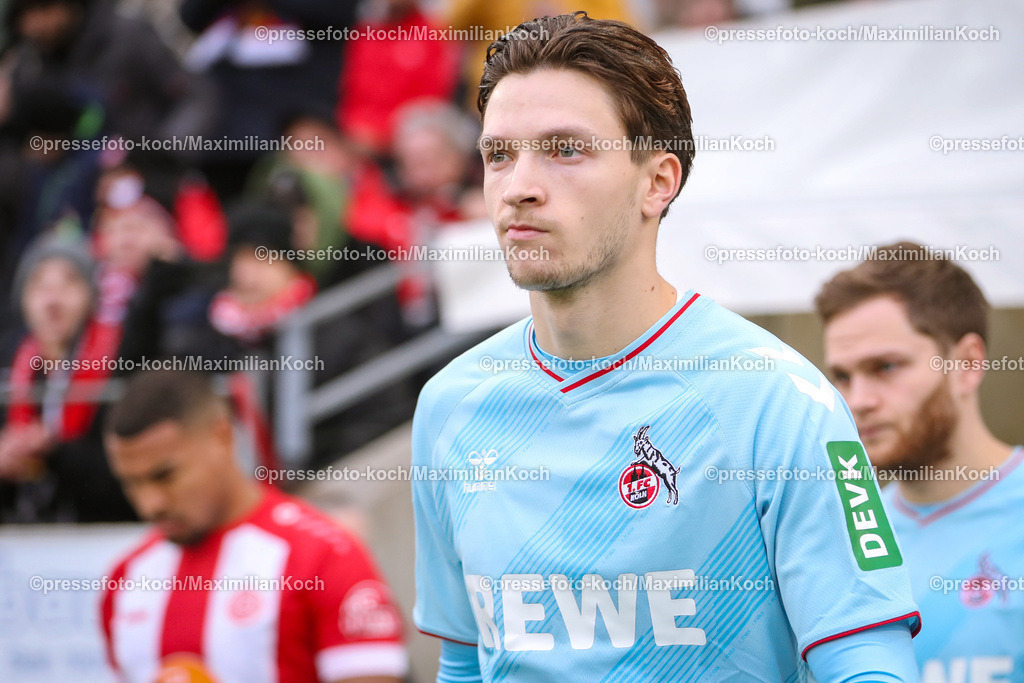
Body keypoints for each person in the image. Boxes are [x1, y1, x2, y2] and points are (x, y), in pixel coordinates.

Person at [411, 12, 921, 682]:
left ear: (658, 181)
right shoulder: (449, 406)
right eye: (499, 154)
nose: (518, 185)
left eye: (565, 148)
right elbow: (463, 662)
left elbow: (868, 666)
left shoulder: (778, 400)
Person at [101, 370, 408, 682]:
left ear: (222, 436)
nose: (150, 503)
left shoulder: (324, 556)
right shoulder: (125, 579)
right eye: (131, 483)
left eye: (164, 476)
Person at [816, 241, 1023, 680]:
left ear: (967, 364)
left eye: (886, 367)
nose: (859, 400)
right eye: (842, 376)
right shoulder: (836, 534)